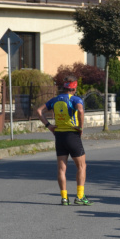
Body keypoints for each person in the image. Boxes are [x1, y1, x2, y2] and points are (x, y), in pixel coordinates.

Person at [36, 75, 93, 206]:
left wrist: (48, 125)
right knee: (82, 166)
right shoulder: (75, 99)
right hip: (72, 135)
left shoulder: (55, 99)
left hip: (59, 136)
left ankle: (64, 198)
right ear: (75, 87)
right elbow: (80, 110)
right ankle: (79, 196)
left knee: (61, 169)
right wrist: (80, 127)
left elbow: (39, 111)